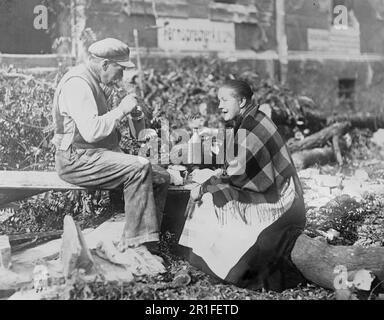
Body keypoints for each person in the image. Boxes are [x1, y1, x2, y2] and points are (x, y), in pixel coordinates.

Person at [179, 79, 307, 292]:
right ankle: (208, 259)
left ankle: (215, 262)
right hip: (277, 188)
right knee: (213, 192)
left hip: (281, 198)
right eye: (218, 100)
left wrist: (202, 187)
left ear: (241, 101)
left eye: (224, 100)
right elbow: (239, 167)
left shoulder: (251, 127)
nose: (220, 105)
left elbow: (239, 175)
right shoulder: (252, 119)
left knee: (211, 198)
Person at [52, 38, 170, 263]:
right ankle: (137, 245)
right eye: (120, 69)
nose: (122, 76)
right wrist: (121, 110)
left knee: (160, 177)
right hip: (75, 160)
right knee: (139, 167)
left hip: (93, 156)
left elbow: (134, 135)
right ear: (105, 64)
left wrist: (135, 116)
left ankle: (142, 241)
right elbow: (92, 132)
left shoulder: (97, 83)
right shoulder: (78, 84)